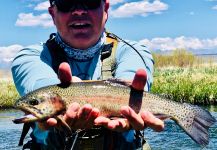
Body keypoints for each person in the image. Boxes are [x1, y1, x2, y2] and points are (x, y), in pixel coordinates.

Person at [11, 0, 164, 149]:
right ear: (52, 13)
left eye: (90, 2)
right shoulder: (30, 56)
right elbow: (40, 83)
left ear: (106, 9)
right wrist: (65, 92)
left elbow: (133, 80)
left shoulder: (135, 51)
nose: (79, 10)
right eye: (66, 3)